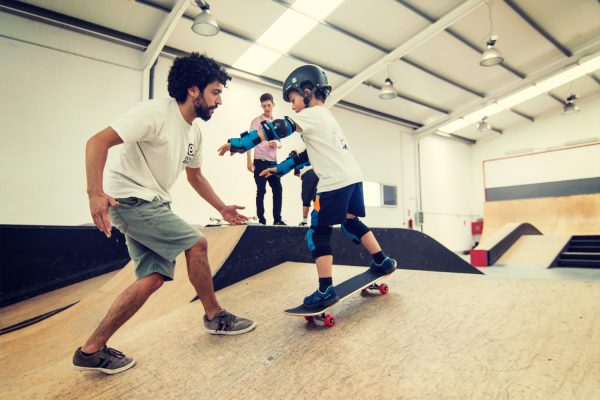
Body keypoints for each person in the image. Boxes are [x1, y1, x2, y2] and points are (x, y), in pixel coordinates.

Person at [74, 53, 256, 375]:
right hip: (129, 201)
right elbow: (97, 142)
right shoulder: (154, 113)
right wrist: (95, 194)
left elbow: (195, 177)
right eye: (215, 92)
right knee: (197, 244)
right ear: (193, 91)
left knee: (153, 278)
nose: (219, 101)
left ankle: (91, 349)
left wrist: (222, 207)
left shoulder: (195, 132)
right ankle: (215, 317)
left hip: (154, 203)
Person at [218, 64, 397, 310]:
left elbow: (276, 128)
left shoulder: (310, 115)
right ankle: (383, 261)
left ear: (307, 90)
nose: (292, 107)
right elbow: (307, 155)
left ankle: (325, 290)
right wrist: (280, 169)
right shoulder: (326, 118)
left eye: (293, 100)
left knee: (317, 232)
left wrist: (239, 144)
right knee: (350, 221)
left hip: (333, 183)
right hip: (353, 178)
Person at [247, 93, 285, 225]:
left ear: (273, 105)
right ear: (261, 106)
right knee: (261, 190)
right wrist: (248, 161)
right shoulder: (256, 121)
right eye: (264, 106)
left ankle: (277, 220)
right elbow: (249, 141)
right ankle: (261, 221)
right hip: (260, 161)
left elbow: (280, 142)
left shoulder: (276, 123)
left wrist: (277, 144)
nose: (267, 108)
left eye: (269, 105)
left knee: (278, 190)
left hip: (273, 163)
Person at [294, 159, 319, 226]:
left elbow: (296, 158)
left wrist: (296, 171)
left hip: (308, 172)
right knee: (317, 197)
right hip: (320, 172)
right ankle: (317, 221)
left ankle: (304, 221)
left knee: (306, 198)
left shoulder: (302, 151)